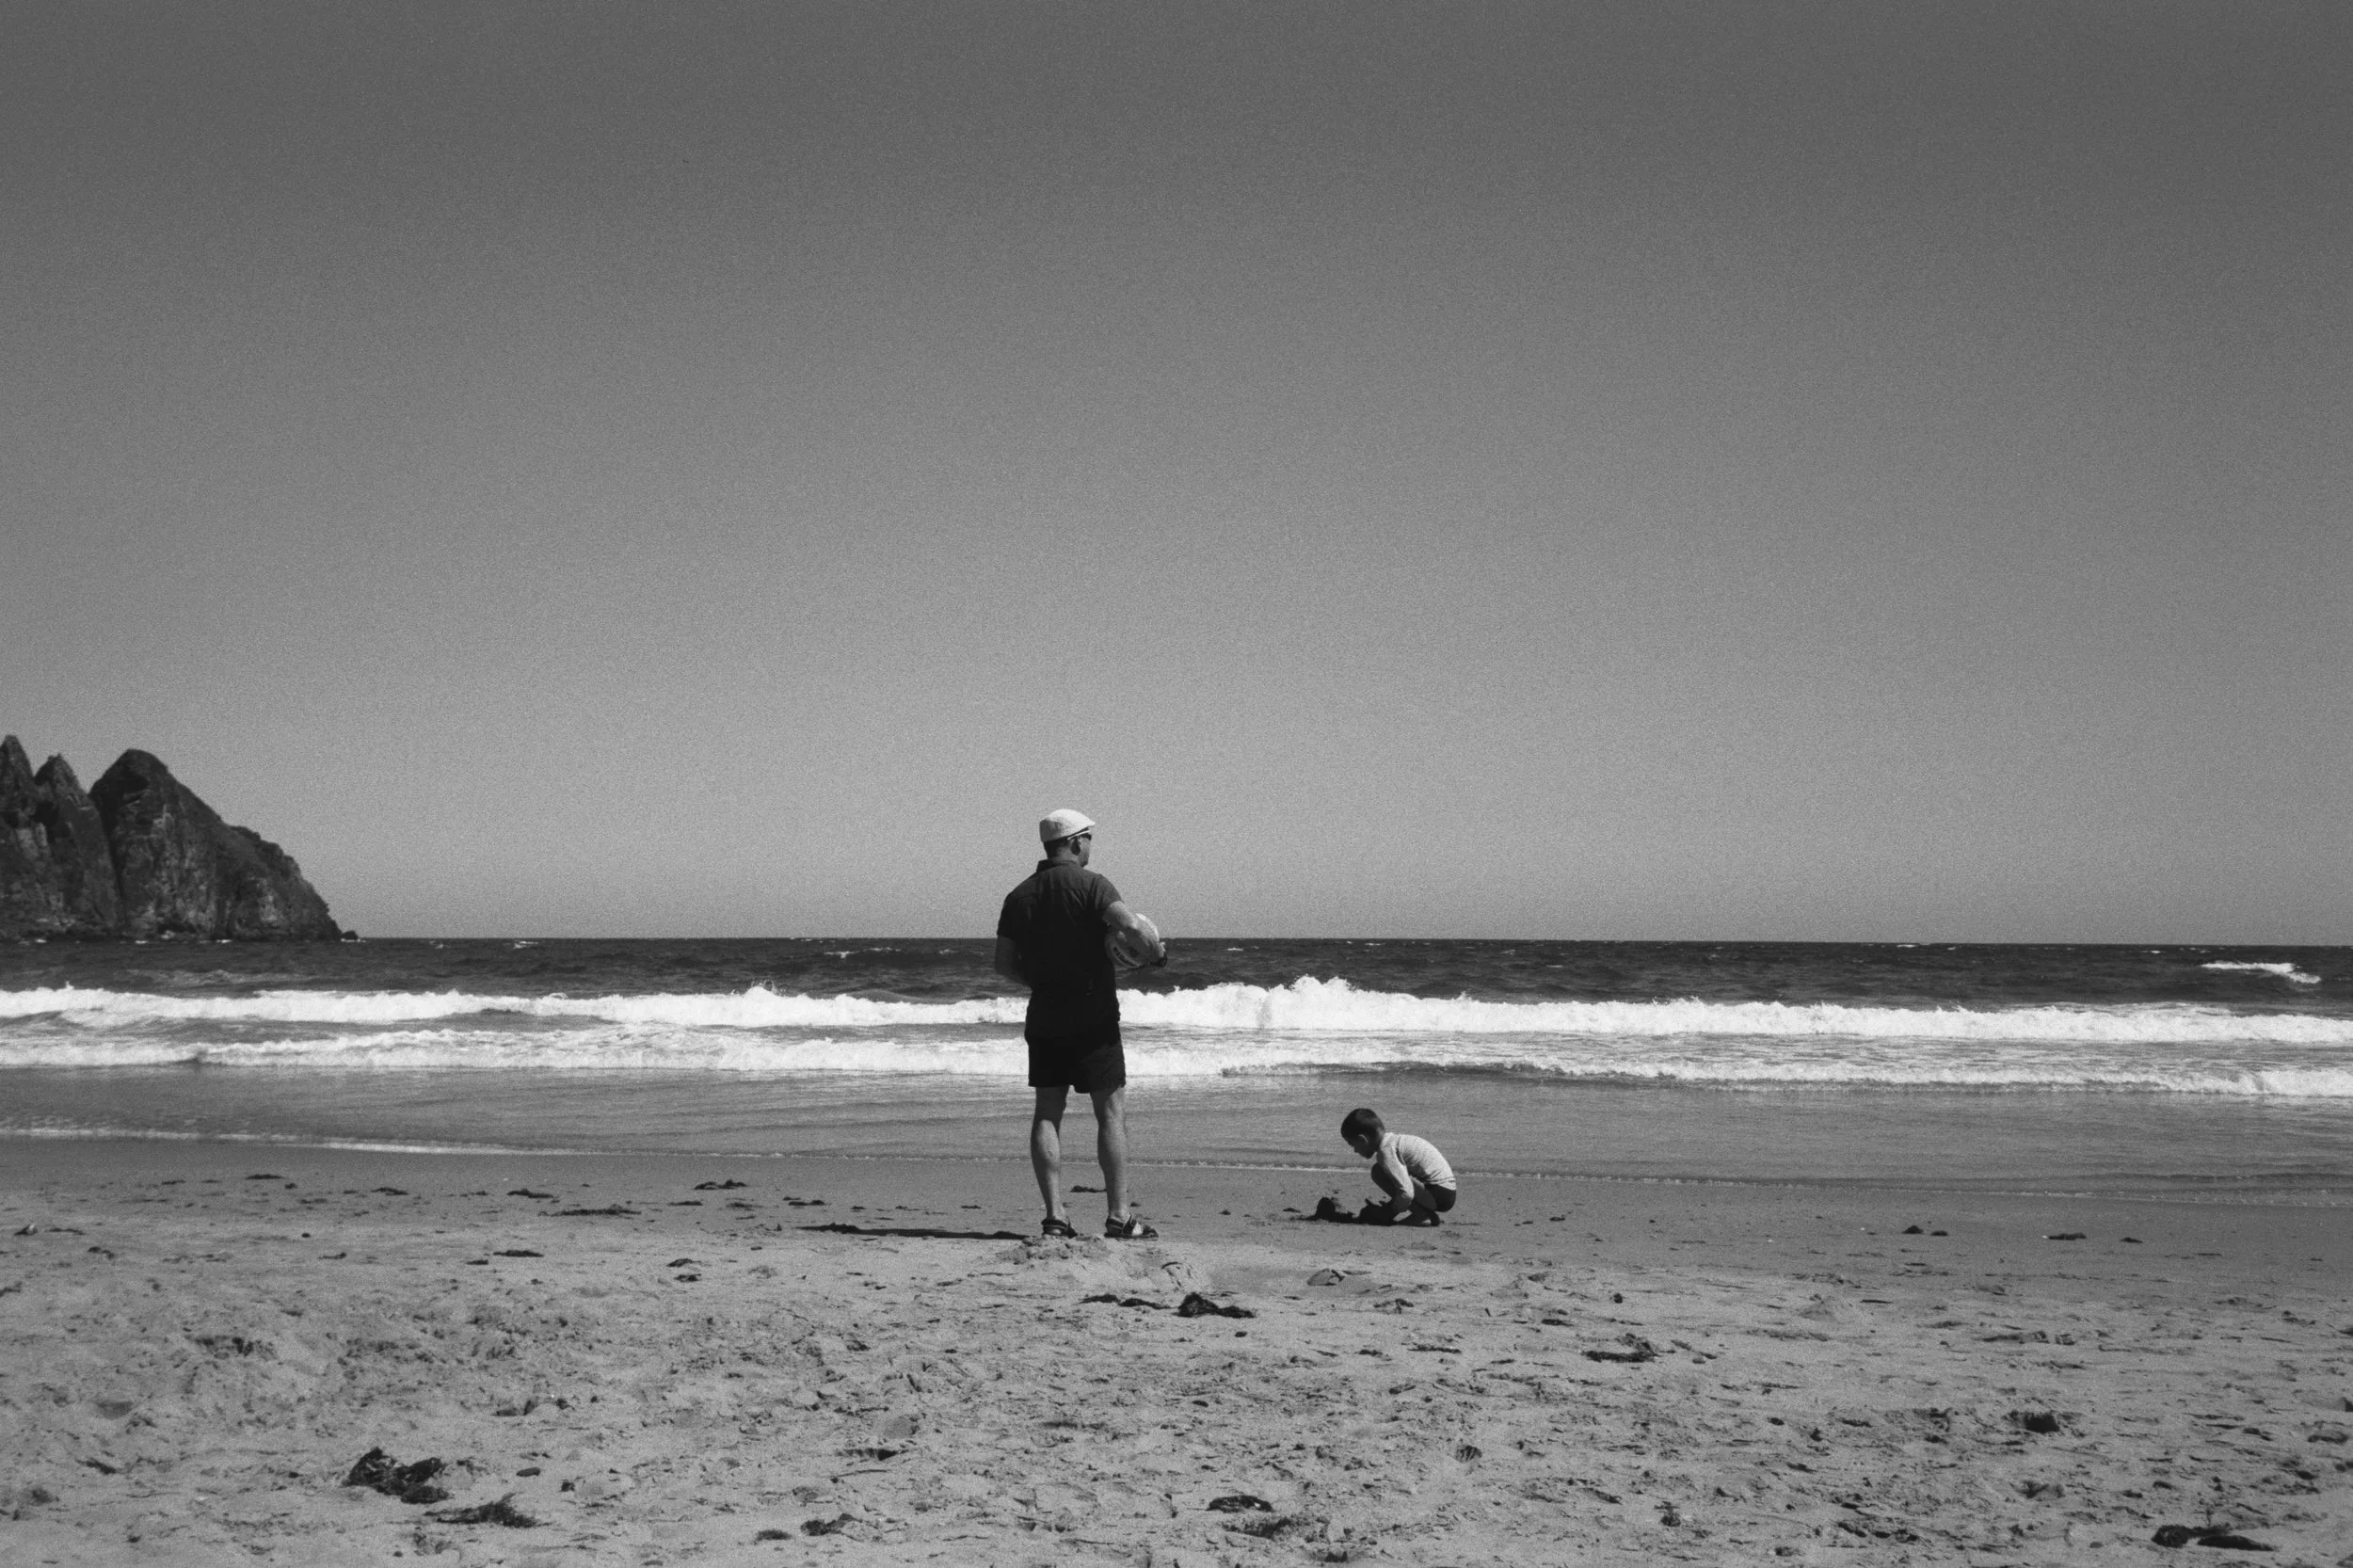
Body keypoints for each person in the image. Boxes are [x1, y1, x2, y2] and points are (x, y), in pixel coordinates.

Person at [995, 808, 1166, 1240]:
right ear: (1075, 841)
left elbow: (1002, 965)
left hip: (1046, 1015)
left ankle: (1055, 1217)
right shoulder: (1094, 885)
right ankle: (1119, 1216)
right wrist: (1156, 956)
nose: (1091, 846)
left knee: (1047, 1112)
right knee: (1110, 1113)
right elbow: (1133, 927)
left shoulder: (1019, 896)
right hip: (1094, 1017)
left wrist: (1041, 982)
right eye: (1088, 838)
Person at [1340, 1108, 1458, 1225]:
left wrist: (1388, 1213)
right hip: (1444, 1192)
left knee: (1379, 1172)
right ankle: (1425, 1213)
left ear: (1363, 1140)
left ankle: (1420, 1215)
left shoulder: (1386, 1152)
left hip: (1440, 1194)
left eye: (1352, 1145)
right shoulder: (1393, 1141)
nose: (1355, 1150)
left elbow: (1407, 1194)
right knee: (1383, 1171)